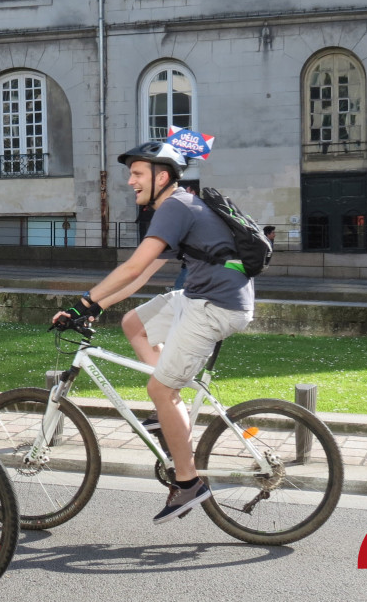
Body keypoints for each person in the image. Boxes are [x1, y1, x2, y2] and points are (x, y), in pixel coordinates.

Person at [52, 142, 254, 524]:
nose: (130, 181)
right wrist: (100, 306)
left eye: (137, 174)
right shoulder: (177, 205)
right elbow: (141, 276)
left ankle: (189, 482)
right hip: (201, 295)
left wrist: (82, 303)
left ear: (162, 176)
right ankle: (169, 409)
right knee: (134, 324)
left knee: (160, 389)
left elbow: (131, 268)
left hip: (216, 305)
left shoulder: (176, 206)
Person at [172, 182, 200, 290]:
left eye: (187, 191)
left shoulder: (192, 208)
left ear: (193, 192)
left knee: (182, 281)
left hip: (194, 254)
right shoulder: (200, 207)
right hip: (193, 254)